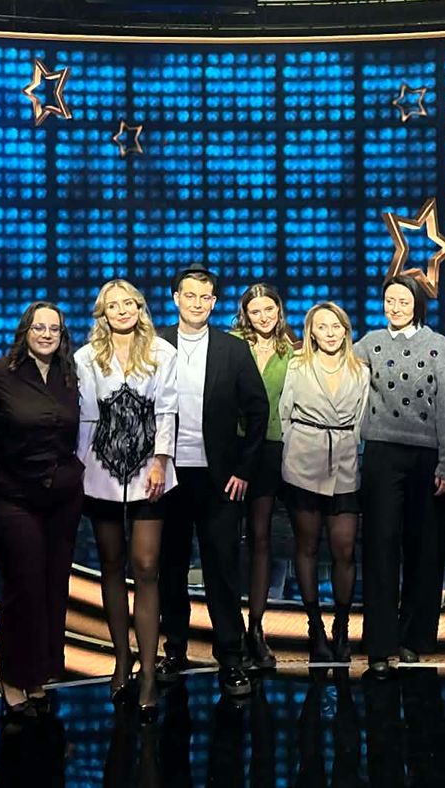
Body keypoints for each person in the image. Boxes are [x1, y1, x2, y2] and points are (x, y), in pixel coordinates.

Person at [155, 267, 268, 699]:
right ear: (175, 298)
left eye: (205, 297)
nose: (197, 303)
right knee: (171, 567)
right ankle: (175, 650)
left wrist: (244, 469)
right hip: (167, 475)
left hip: (219, 478)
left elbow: (258, 411)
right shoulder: (156, 344)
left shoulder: (232, 349)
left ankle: (231, 656)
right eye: (190, 295)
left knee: (222, 568)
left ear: (215, 303)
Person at [353, 274, 445, 678]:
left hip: (427, 457)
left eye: (403, 301)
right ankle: (380, 645)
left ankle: (416, 639)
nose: (396, 308)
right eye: (390, 301)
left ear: (417, 305)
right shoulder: (369, 343)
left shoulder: (438, 346)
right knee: (379, 547)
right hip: (381, 454)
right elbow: (339, 374)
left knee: (425, 548)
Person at [74, 279, 178, 721]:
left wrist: (161, 460)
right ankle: (121, 659)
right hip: (100, 473)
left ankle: (149, 671)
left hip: (150, 473)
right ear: (103, 312)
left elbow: (167, 410)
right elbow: (83, 418)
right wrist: (79, 467)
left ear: (140, 307)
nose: (122, 311)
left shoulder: (161, 352)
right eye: (113, 305)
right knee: (111, 565)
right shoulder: (84, 357)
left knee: (147, 566)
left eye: (128, 303)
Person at [0, 302, 83, 717]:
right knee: (23, 585)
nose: (46, 334)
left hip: (62, 498)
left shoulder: (69, 375)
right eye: (39, 327)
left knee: (53, 586)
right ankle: (12, 676)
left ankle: (38, 674)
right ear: (25, 330)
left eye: (53, 329)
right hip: (14, 496)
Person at [279, 302, 369, 665]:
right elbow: (284, 414)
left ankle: (342, 625)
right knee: (307, 546)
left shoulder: (361, 369)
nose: (330, 333)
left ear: (345, 330)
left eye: (336, 326)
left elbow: (362, 419)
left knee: (344, 549)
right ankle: (314, 626)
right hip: (303, 461)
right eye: (322, 326)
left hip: (345, 462)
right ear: (311, 332)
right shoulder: (297, 366)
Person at [230, 283, 296, 670]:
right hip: (233, 449)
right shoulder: (231, 346)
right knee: (226, 540)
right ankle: (231, 628)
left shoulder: (293, 350)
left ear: (278, 310)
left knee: (260, 537)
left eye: (269, 309)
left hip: (271, 450)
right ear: (245, 314)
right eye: (255, 311)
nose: (263, 317)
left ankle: (256, 629)